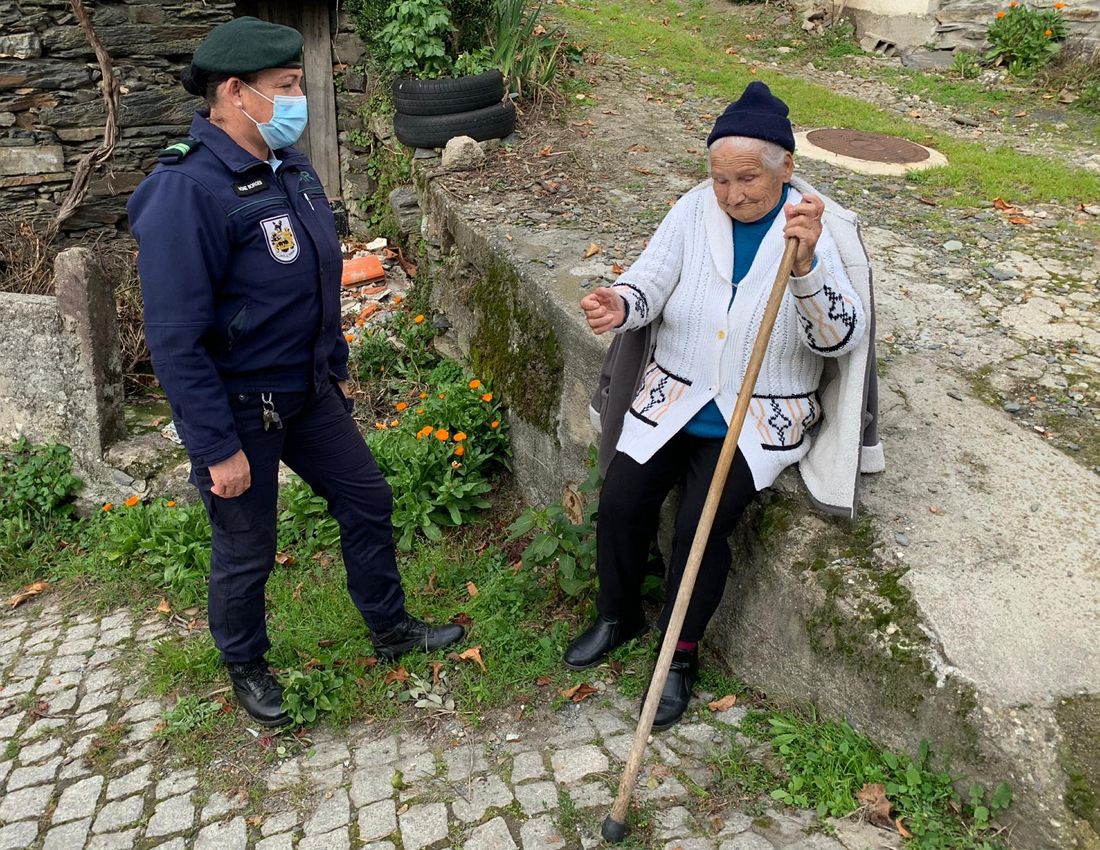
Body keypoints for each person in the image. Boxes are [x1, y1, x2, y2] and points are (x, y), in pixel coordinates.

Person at [127, 17, 465, 727]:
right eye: (284, 87)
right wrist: (216, 447)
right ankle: (246, 666)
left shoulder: (292, 170)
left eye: (297, 84)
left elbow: (316, 279)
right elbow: (176, 340)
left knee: (368, 501)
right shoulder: (186, 190)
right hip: (242, 408)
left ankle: (391, 629)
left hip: (309, 393)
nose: (297, 98)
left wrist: (335, 365)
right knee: (248, 548)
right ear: (235, 93)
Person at [569, 81, 884, 730]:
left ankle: (676, 658)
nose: (733, 194)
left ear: (785, 168)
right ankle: (617, 614)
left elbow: (842, 336)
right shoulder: (691, 210)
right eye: (720, 179)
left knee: (701, 529)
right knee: (622, 500)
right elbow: (653, 279)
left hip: (759, 413)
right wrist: (620, 303)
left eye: (747, 180)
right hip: (676, 397)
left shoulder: (820, 229)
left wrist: (806, 272)